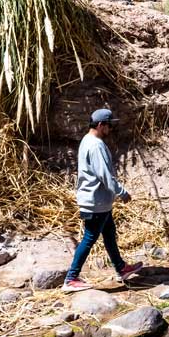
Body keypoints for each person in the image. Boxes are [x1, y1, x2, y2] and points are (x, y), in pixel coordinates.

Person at [63, 109, 143, 293]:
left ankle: (120, 267)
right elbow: (105, 175)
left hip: (98, 201)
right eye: (109, 125)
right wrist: (122, 193)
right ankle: (71, 278)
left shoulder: (87, 140)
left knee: (109, 234)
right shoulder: (96, 145)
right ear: (100, 125)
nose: (111, 129)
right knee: (89, 238)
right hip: (95, 201)